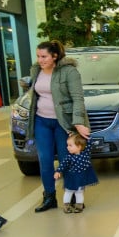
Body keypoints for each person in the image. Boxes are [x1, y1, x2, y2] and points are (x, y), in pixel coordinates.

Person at [26, 40, 91, 213]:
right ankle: (49, 197)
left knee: (67, 160)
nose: (40, 60)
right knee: (45, 160)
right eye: (38, 56)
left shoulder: (69, 72)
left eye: (44, 56)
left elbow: (78, 98)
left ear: (54, 56)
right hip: (41, 121)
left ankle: (76, 197)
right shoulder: (36, 70)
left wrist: (78, 122)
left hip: (64, 123)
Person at [55, 132, 99, 213]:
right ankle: (66, 206)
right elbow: (63, 165)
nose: (68, 147)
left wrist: (86, 134)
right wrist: (58, 171)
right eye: (67, 145)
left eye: (70, 145)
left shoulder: (86, 153)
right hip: (71, 178)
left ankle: (79, 206)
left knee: (79, 193)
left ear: (79, 146)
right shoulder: (69, 157)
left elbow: (89, 142)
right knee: (68, 192)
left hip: (81, 178)